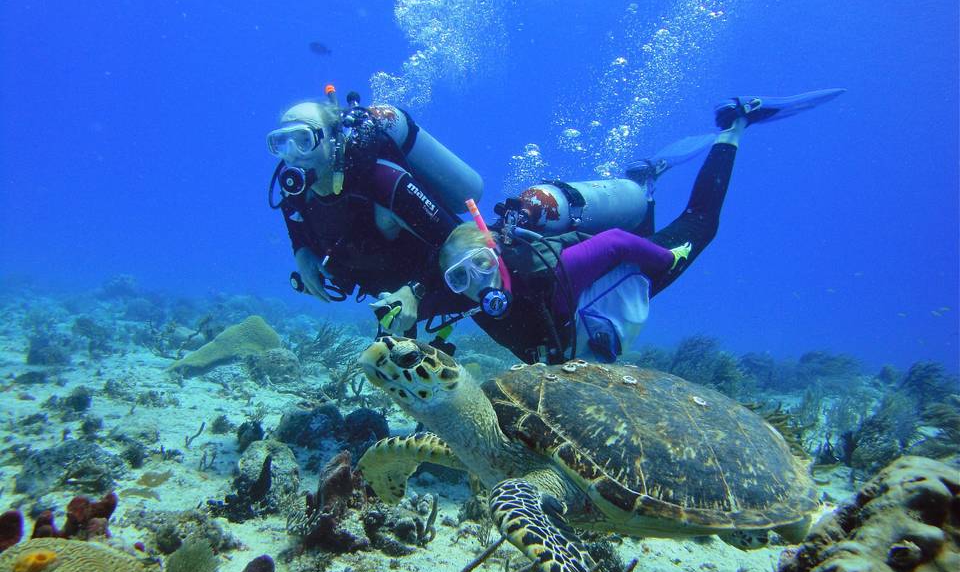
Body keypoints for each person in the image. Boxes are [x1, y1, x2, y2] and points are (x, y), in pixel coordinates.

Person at [425, 89, 846, 364]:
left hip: (626, 275)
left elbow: (616, 244)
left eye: (480, 264)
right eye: (460, 277)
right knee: (647, 233)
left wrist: (665, 260)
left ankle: (734, 125)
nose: (476, 282)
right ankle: (645, 184)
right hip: (592, 312)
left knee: (700, 223)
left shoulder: (551, 274)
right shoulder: (473, 302)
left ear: (498, 253)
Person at [266, 85, 483, 334]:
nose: (292, 155)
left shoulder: (384, 182)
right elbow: (294, 219)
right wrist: (301, 252)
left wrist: (416, 290)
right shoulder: (293, 189)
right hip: (384, 293)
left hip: (438, 284)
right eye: (281, 143)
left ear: (334, 138)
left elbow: (458, 243)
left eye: (305, 140)